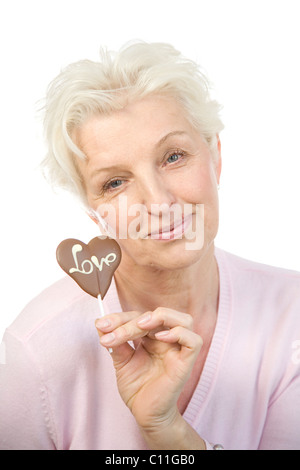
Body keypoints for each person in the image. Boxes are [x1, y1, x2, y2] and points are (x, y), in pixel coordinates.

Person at [0, 41, 299, 450]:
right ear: (93, 211)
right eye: (115, 183)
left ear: (215, 157)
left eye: (174, 156)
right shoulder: (36, 352)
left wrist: (170, 433)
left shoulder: (292, 315)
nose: (158, 203)